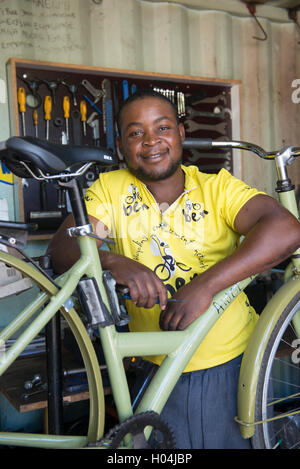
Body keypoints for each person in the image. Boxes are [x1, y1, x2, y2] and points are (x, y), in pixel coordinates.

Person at [49, 89, 300, 449]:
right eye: (136, 133)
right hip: (155, 367)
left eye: (162, 127)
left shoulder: (217, 188)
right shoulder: (110, 190)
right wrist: (114, 261)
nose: (151, 141)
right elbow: (64, 248)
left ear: (181, 133)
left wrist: (204, 286)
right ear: (120, 146)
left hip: (235, 368)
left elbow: (286, 229)